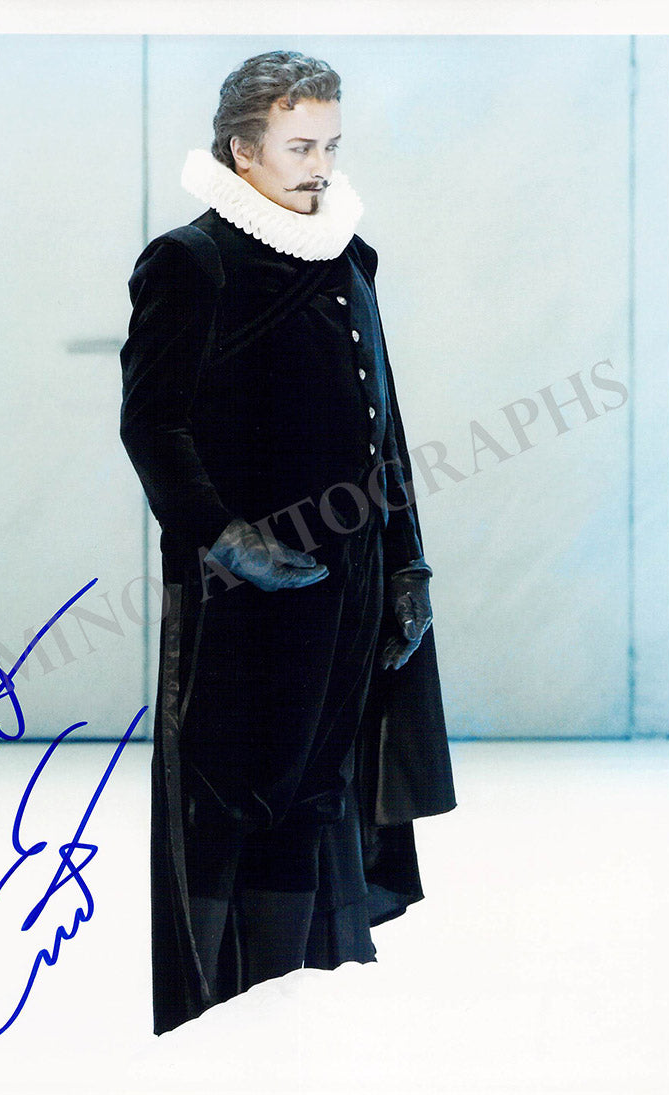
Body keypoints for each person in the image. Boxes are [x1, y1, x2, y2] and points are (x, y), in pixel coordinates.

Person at [119, 50, 456, 1036]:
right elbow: (153, 425)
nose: (321, 166)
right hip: (246, 587)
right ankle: (214, 1017)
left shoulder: (348, 254)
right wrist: (225, 539)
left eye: (331, 145)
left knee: (317, 790)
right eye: (300, 147)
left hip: (351, 580)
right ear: (244, 150)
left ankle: (286, 1011)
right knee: (232, 797)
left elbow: (387, 427)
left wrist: (406, 560)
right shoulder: (193, 261)